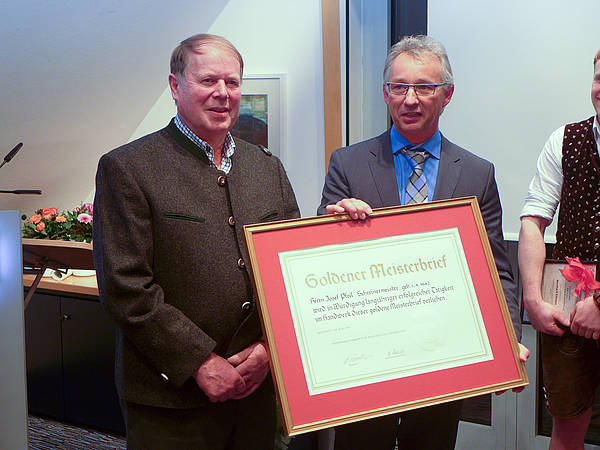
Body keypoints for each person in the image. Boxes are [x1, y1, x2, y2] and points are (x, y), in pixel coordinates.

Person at [318, 35, 528, 450]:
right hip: (366, 358)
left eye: (424, 87)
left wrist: (506, 335)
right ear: (385, 93)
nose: (409, 99)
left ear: (447, 94)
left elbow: (497, 268)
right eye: (399, 87)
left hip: (441, 353)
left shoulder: (475, 173)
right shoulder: (349, 163)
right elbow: (325, 264)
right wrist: (334, 228)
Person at [92, 33, 299, 449]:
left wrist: (267, 350)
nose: (222, 94)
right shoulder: (129, 168)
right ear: (175, 86)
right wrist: (199, 362)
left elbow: (290, 269)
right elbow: (125, 287)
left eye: (233, 82)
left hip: (255, 393)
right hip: (171, 400)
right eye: (208, 81)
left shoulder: (267, 168)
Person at [519, 49, 600, 450]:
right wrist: (532, 299)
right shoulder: (563, 140)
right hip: (567, 311)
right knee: (567, 428)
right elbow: (533, 221)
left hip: (591, 302)